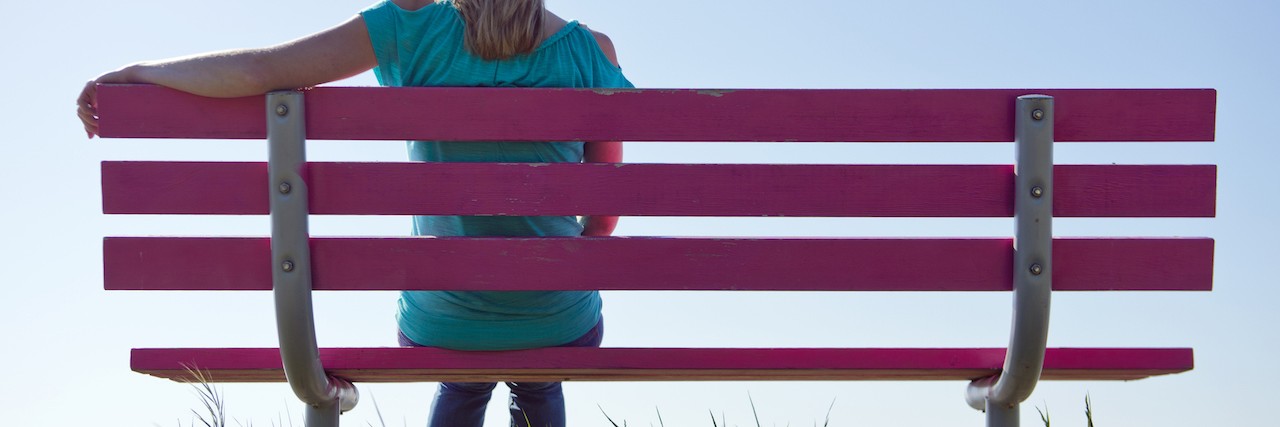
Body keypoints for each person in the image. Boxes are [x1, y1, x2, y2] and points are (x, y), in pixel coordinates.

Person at [76, 0, 631, 426]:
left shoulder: (409, 26)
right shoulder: (592, 52)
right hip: (558, 318)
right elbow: (603, 216)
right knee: (541, 365)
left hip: (442, 321)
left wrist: (140, 72)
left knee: (462, 370)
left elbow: (261, 68)